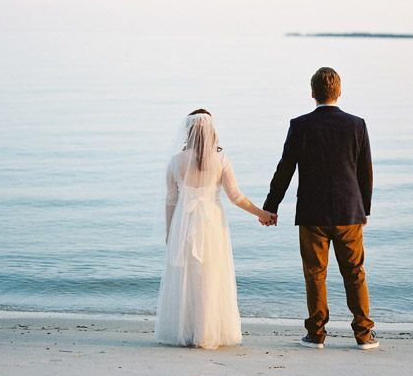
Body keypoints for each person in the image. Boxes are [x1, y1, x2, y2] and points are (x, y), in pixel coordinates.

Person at [262, 67, 378, 350]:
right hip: (350, 213)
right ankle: (363, 335)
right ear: (339, 92)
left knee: (315, 274)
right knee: (355, 273)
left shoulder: (300, 125)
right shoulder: (357, 124)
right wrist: (365, 210)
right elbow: (366, 172)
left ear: (313, 94)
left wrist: (271, 206)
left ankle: (316, 335)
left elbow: (284, 170)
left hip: (312, 214)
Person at [155, 109, 276, 349]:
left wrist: (170, 232)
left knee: (187, 278)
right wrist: (261, 214)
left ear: (188, 132)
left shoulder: (175, 162)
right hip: (211, 223)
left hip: (184, 222)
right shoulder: (221, 160)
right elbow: (236, 197)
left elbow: (170, 201)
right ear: (212, 133)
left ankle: (187, 332)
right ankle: (205, 334)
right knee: (210, 276)